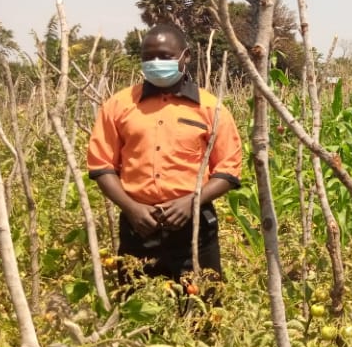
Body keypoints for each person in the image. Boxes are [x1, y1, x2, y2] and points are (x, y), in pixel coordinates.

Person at [87, 24, 243, 299]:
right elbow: (101, 165)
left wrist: (191, 201)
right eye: (149, 57)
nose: (156, 63)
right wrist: (132, 208)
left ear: (186, 57)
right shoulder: (119, 105)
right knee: (139, 309)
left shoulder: (211, 109)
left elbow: (228, 171)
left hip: (194, 227)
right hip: (138, 228)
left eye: (165, 55)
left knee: (203, 310)